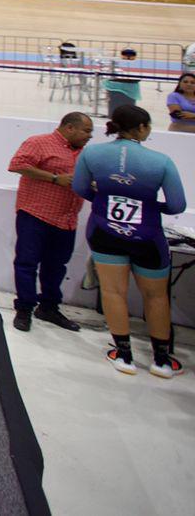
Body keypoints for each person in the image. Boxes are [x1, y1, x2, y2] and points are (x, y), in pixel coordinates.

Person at [73, 105, 187, 377]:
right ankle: (161, 360)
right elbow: (177, 204)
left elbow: (79, 188)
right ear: (142, 128)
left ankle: (123, 355)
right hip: (146, 235)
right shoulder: (160, 161)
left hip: (104, 231)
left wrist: (104, 200)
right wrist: (148, 206)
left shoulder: (92, 153)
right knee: (156, 295)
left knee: (113, 292)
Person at [7, 112, 93, 333]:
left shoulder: (85, 154)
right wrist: (54, 178)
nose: (89, 136)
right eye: (86, 131)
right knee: (27, 263)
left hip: (66, 219)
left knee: (57, 265)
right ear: (69, 128)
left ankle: (49, 307)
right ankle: (24, 308)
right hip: (36, 213)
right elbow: (17, 164)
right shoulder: (39, 143)